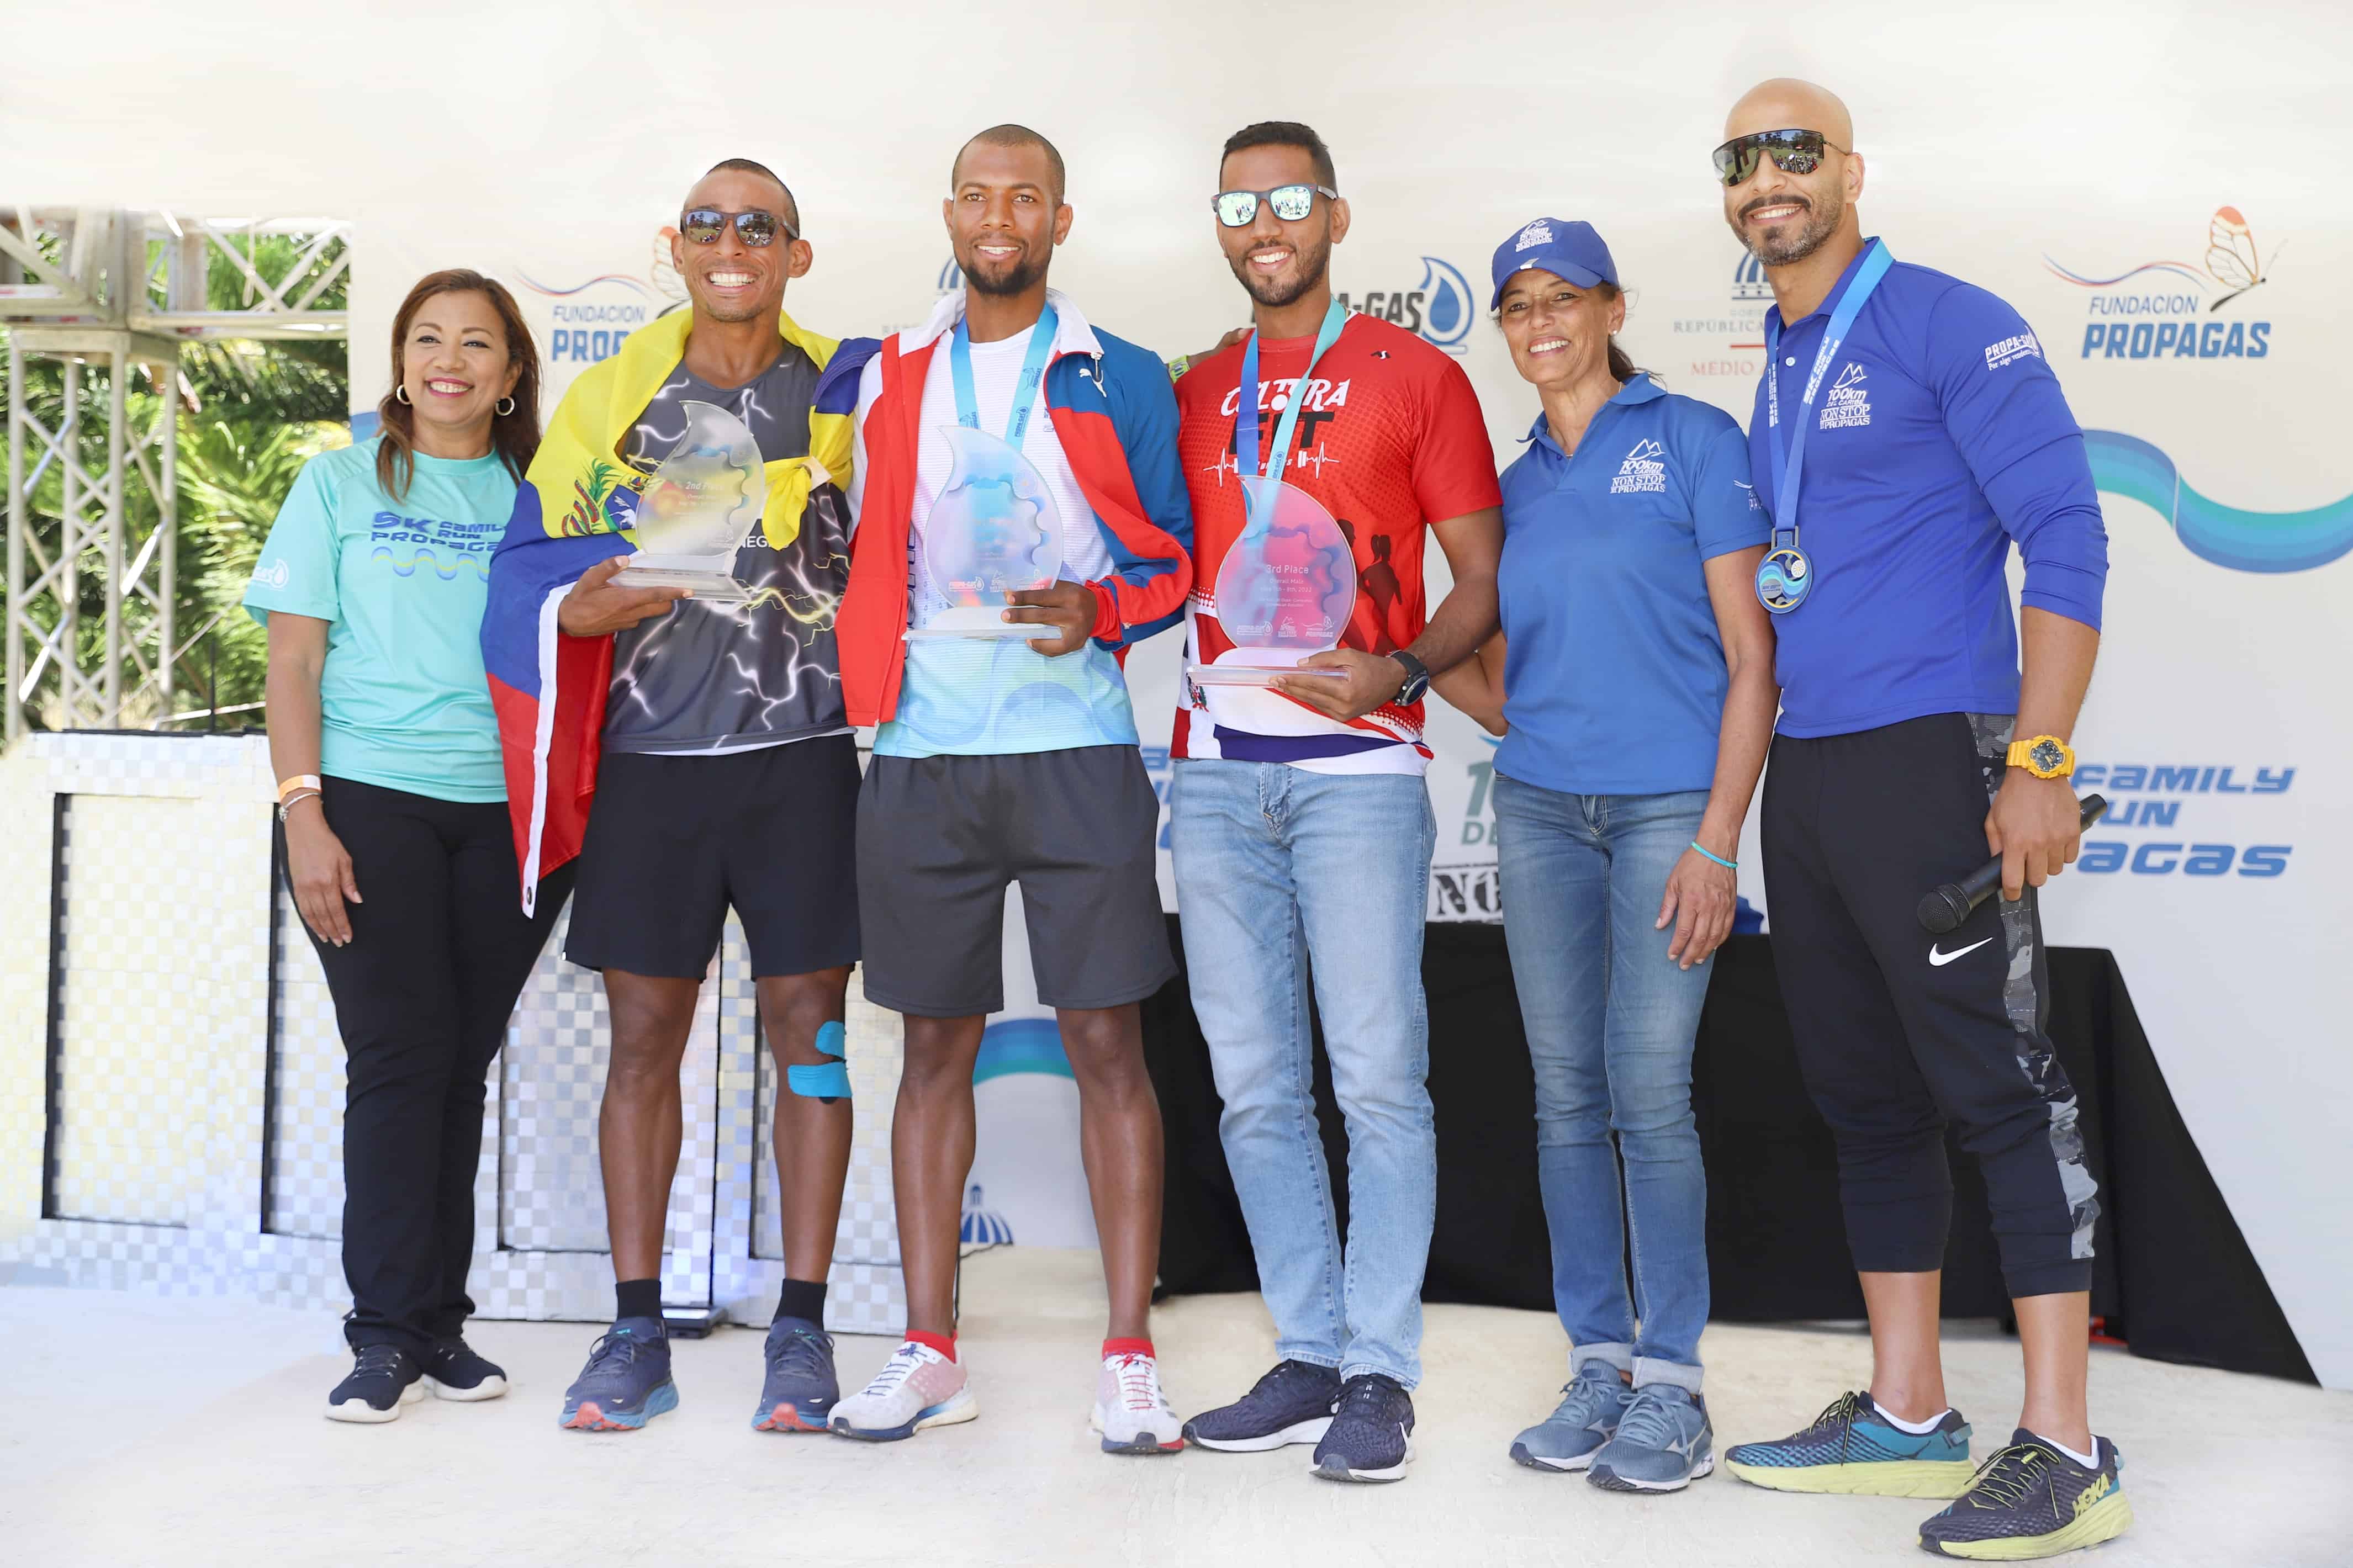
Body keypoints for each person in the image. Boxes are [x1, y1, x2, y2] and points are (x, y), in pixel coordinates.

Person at [1705, 81, 2129, 1560]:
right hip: (1812, 775)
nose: (1769, 179)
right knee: (1862, 1098)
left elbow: (2063, 531)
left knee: (2000, 1093)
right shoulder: (1773, 352)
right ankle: (1904, 1410)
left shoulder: (1951, 320)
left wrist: (2035, 757)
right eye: (1744, 160)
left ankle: (2067, 1442)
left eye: (1794, 152)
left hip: (1935, 760)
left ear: (1846, 172)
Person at [825, 125, 1195, 1454]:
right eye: (978, 197)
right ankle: (930, 1349)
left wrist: (1096, 608)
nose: (999, 218)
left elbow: (1178, 563)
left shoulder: (1119, 372)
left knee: (1108, 1044)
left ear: (1060, 218)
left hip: (1077, 745)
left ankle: (1128, 1353)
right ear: (949, 213)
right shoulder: (885, 374)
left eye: (1023, 197)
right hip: (921, 749)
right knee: (932, 1047)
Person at [481, 158, 864, 1434]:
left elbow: (910, 531)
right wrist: (589, 600)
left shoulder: (848, 388)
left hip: (801, 757)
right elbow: (534, 575)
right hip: (651, 769)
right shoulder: (612, 392)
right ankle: (634, 1324)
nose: (731, 242)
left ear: (794, 254)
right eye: (707, 223)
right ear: (676, 247)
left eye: (758, 225)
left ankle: (801, 1326)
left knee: (809, 1040)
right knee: (643, 1043)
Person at [1170, 120, 1504, 1484]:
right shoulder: (1193, 388)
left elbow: (1480, 577)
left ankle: (1381, 1372)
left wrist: (1400, 666)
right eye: (1240, 203)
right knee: (1254, 1087)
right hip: (1209, 773)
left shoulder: (1417, 374)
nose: (1265, 223)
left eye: (1290, 200)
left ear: (1336, 216)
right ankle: (1307, 1350)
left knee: (1375, 1080)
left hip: (1360, 778)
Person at [1432, 219, 1776, 1492]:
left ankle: (1674, 1380)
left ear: (1610, 306)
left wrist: (1714, 840)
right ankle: (1598, 1355)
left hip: (1665, 814)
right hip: (1537, 811)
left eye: (1560, 298)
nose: (1537, 324)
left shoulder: (1693, 440)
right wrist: (1478, 701)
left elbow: (1755, 660)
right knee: (1564, 1095)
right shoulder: (1509, 480)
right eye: (1515, 304)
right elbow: (1492, 668)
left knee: (1647, 1092)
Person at [246, 269, 570, 1422]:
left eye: (477, 343)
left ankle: (438, 1327)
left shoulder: (541, 495)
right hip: (368, 799)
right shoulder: (337, 481)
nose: (451, 359)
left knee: (456, 1065)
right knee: (397, 1059)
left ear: (512, 373)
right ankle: (381, 1333)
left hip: (510, 817)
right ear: (400, 362)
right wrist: (303, 809)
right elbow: (291, 662)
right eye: (427, 338)